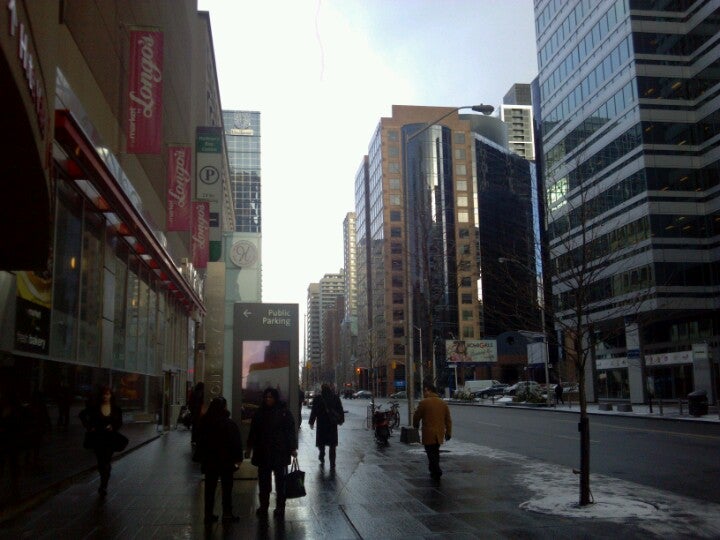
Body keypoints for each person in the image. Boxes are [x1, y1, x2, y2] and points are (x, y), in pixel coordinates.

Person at [245, 387, 297, 520]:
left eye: (270, 397)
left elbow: (290, 431)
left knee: (280, 482)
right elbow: (254, 431)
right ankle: (264, 506)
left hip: (278, 452)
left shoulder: (283, 412)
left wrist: (292, 448)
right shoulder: (260, 412)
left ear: (275, 398)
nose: (268, 399)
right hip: (264, 452)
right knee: (264, 482)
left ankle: (280, 507)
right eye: (266, 397)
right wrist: (249, 447)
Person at [195, 396, 243, 524]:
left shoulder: (205, 422)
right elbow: (236, 443)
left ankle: (208, 514)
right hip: (226, 462)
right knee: (227, 488)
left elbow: (200, 442)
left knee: (210, 489)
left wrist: (200, 458)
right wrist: (238, 459)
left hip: (210, 461)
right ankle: (227, 513)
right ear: (224, 408)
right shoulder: (229, 423)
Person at [79, 386, 123, 496]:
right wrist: (89, 426)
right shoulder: (95, 408)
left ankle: (104, 485)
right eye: (104, 394)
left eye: (107, 394)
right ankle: (104, 479)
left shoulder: (116, 409)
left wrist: (113, 427)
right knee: (100, 462)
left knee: (106, 461)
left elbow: (119, 422)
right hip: (98, 438)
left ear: (111, 396)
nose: (105, 396)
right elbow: (82, 415)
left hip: (110, 439)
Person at [413, 382, 452, 481]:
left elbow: (417, 416)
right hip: (439, 433)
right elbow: (448, 420)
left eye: (425, 391)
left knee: (430, 452)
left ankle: (436, 470)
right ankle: (433, 469)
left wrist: (415, 424)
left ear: (428, 390)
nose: (424, 393)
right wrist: (448, 432)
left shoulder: (424, 402)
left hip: (428, 433)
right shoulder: (443, 403)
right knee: (435, 451)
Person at [309, 383, 344, 468]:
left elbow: (314, 411)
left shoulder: (318, 398)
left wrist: (311, 422)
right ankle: (332, 463)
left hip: (322, 425)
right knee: (332, 445)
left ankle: (322, 454)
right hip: (332, 425)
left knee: (321, 442)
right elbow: (340, 409)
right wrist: (341, 419)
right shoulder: (335, 398)